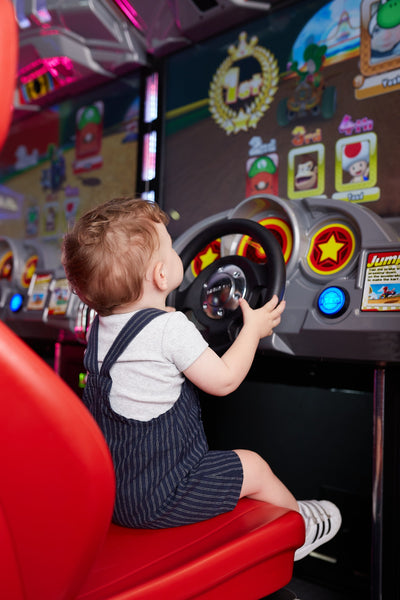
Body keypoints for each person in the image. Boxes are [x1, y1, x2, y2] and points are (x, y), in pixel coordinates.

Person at [62, 197, 341, 560]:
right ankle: (299, 531)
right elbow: (224, 381)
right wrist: (252, 330)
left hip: (116, 493)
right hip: (163, 493)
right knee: (253, 466)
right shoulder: (170, 329)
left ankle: (289, 516)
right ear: (162, 276)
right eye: (171, 245)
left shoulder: (99, 328)